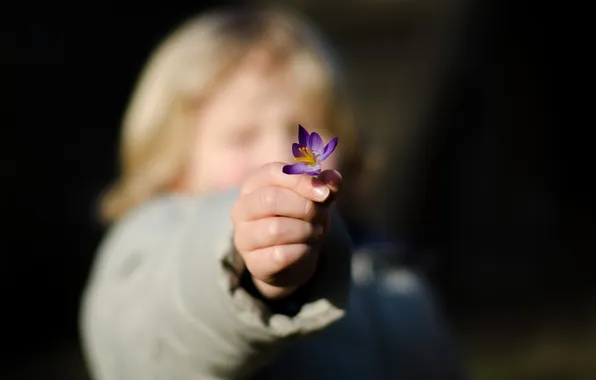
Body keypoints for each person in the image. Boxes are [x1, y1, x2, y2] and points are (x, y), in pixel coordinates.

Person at [80, 6, 466, 380]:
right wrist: (246, 271)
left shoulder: (391, 279)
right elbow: (166, 331)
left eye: (303, 130)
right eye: (241, 136)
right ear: (172, 166)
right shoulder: (145, 247)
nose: (280, 157)